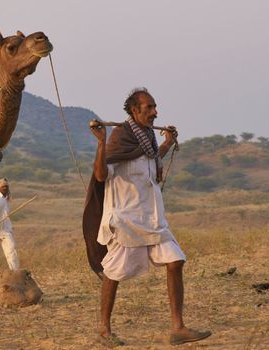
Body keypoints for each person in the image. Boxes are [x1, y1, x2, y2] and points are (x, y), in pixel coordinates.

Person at [84, 88, 211, 346]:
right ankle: (104, 330)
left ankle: (178, 328)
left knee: (175, 261)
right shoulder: (120, 138)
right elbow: (100, 175)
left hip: (152, 218)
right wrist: (100, 143)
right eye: (150, 107)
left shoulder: (147, 140)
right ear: (135, 110)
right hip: (126, 219)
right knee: (113, 272)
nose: (155, 112)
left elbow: (148, 160)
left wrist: (165, 143)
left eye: (155, 107)